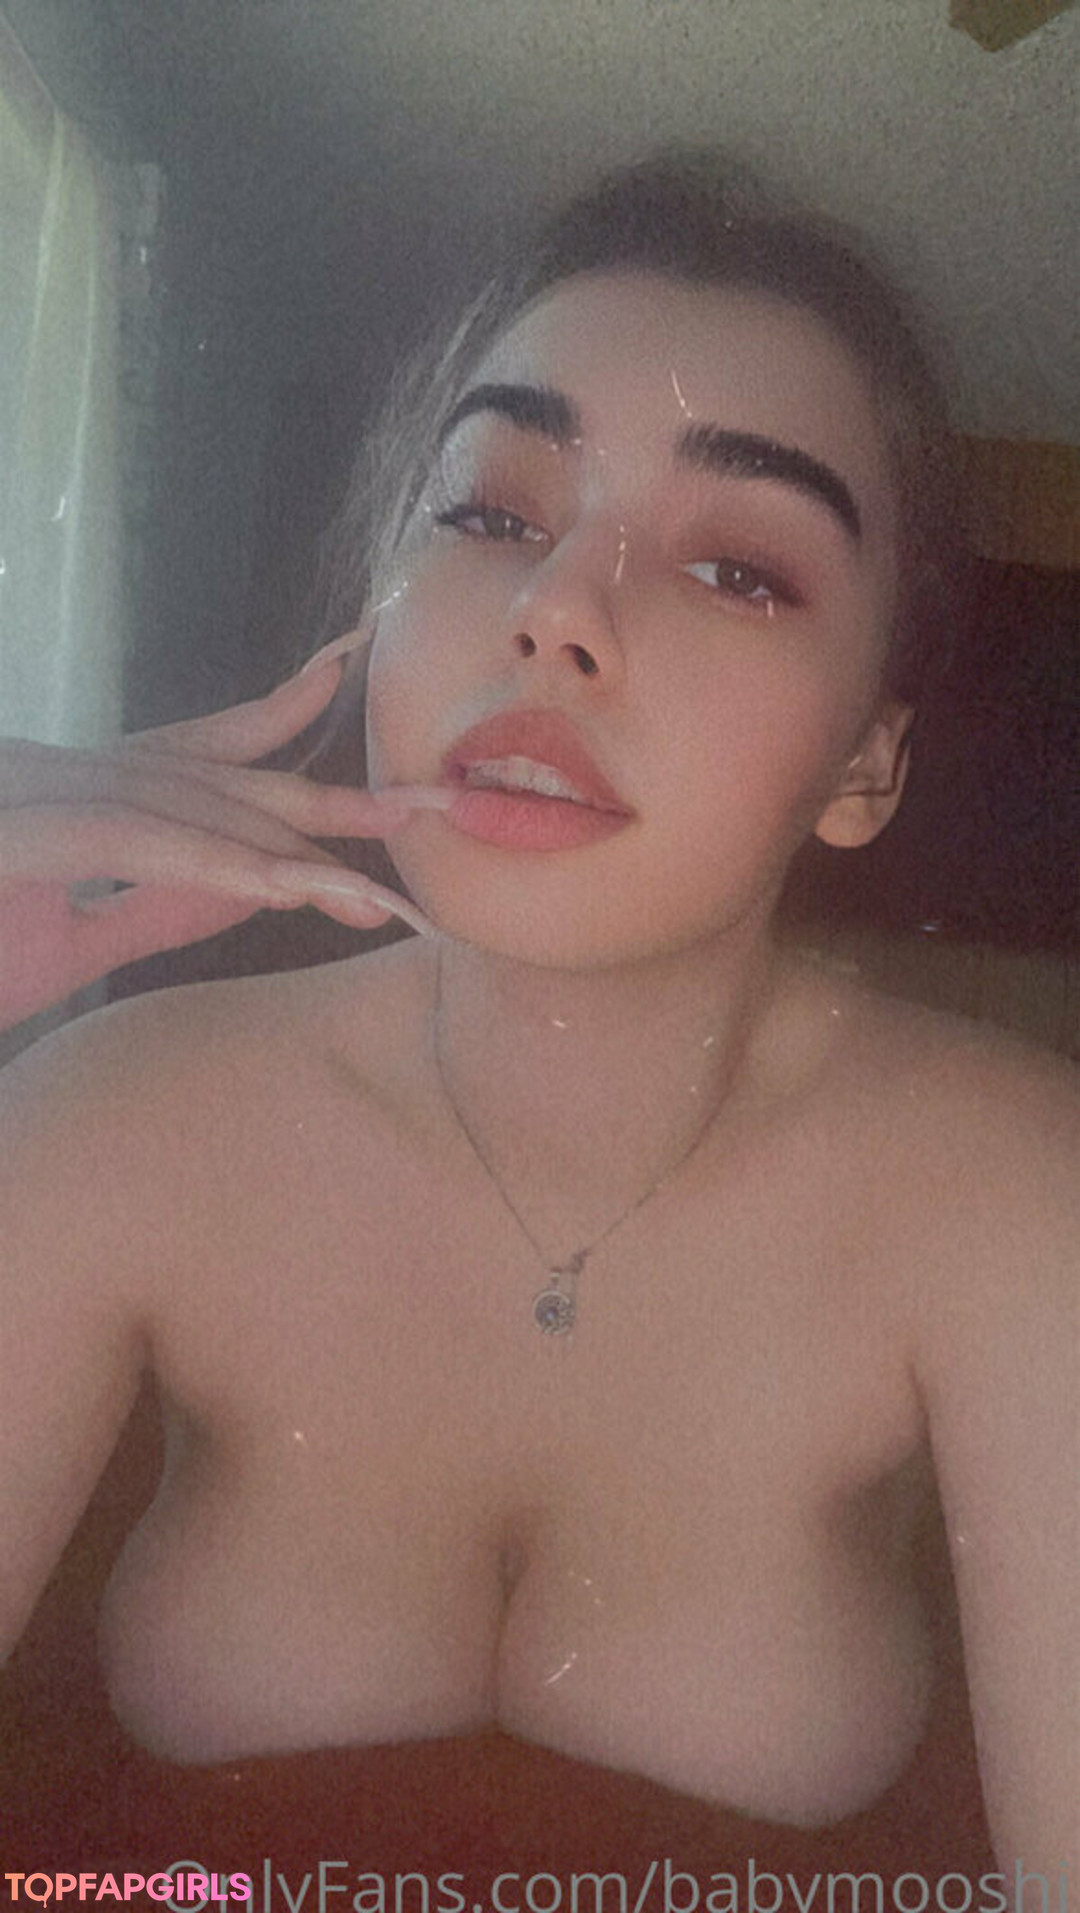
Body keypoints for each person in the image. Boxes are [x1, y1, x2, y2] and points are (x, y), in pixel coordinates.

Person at [0, 151, 1075, 1885]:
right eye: (493, 515)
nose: (556, 611)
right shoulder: (105, 1112)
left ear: (868, 766)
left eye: (740, 568)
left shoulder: (1022, 1194)